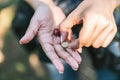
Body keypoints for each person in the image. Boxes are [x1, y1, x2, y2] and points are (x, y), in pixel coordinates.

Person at [19, 0, 120, 74]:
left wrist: (108, 2)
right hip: (51, 21)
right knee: (61, 65)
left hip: (104, 20)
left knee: (107, 65)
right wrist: (43, 4)